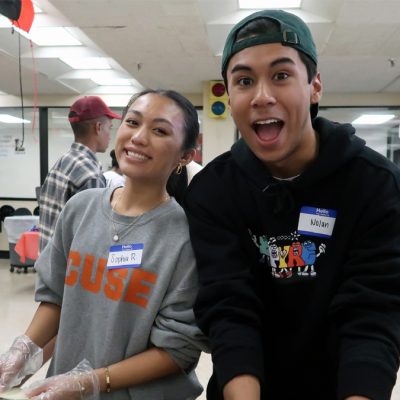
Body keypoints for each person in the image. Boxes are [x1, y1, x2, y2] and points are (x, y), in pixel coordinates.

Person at [183, 9, 400, 400]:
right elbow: (229, 308)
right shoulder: (213, 191)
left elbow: (372, 314)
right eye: (245, 81)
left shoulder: (374, 184)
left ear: (315, 86)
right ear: (229, 97)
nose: (263, 96)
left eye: (281, 75)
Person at [0, 89, 207, 399]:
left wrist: (93, 381)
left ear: (185, 156)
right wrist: (24, 348)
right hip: (61, 391)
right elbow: (57, 297)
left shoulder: (185, 237)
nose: (139, 137)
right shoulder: (80, 208)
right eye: (132, 122)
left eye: (160, 130)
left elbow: (178, 349)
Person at [38, 95, 122, 251]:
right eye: (109, 128)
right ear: (98, 127)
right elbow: (91, 239)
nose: (110, 135)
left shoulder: (62, 162)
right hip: (69, 270)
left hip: (48, 264)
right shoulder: (90, 175)